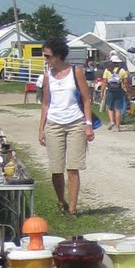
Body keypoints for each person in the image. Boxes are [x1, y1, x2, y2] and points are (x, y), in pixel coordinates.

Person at [38, 36, 93, 216]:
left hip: (75, 122)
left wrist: (88, 124)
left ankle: (72, 208)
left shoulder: (76, 72)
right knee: (56, 169)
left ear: (59, 56)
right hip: (54, 123)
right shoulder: (47, 76)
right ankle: (61, 201)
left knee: (73, 167)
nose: (45, 60)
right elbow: (45, 103)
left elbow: (86, 99)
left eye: (48, 56)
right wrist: (41, 128)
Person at [101, 56, 129, 131]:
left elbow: (104, 81)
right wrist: (127, 90)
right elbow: (125, 82)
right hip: (119, 90)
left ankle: (111, 121)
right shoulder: (122, 70)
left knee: (110, 107)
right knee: (118, 109)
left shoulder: (107, 70)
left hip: (109, 90)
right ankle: (117, 126)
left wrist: (102, 91)